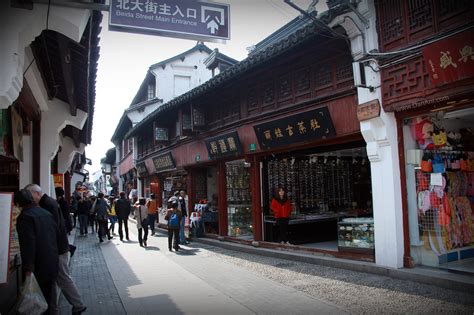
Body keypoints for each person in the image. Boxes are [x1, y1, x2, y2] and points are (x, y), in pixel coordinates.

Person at [25, 184, 87, 314]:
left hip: (57, 248)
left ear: (36, 193)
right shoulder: (50, 202)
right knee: (56, 278)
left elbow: (53, 228)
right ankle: (55, 308)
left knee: (62, 277)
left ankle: (78, 304)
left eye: (30, 195)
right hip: (57, 247)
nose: (30, 198)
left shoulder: (47, 204)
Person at [15, 189, 59, 314]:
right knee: (48, 298)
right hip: (51, 261)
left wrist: (28, 268)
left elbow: (28, 244)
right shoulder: (46, 213)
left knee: (39, 303)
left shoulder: (25, 218)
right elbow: (55, 236)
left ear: (18, 204)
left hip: (38, 265)